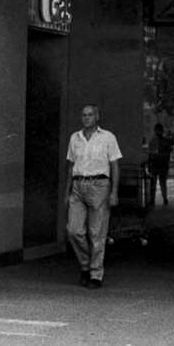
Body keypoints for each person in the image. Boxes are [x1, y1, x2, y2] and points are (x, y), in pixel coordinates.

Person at [65, 104, 121, 288]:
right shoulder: (75, 138)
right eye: (84, 115)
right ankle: (85, 266)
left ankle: (95, 274)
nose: (86, 118)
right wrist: (67, 192)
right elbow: (71, 166)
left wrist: (113, 192)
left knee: (97, 233)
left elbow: (114, 166)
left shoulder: (108, 137)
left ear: (97, 117)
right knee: (74, 230)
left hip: (99, 185)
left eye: (90, 115)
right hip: (78, 185)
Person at [145, 123, 172, 206]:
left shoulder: (153, 141)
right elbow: (168, 154)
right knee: (161, 183)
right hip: (161, 164)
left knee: (155, 183)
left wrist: (149, 164)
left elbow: (150, 154)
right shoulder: (164, 141)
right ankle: (163, 198)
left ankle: (154, 199)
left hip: (156, 164)